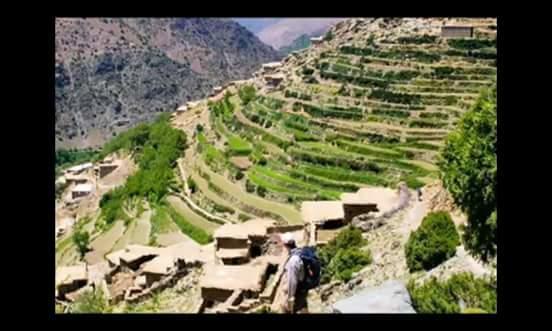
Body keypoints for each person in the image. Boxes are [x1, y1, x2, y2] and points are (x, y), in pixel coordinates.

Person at [272, 232, 309, 313]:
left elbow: (292, 282)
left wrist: (289, 300)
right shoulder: (298, 253)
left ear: (285, 245)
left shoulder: (293, 261)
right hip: (300, 292)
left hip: (296, 296)